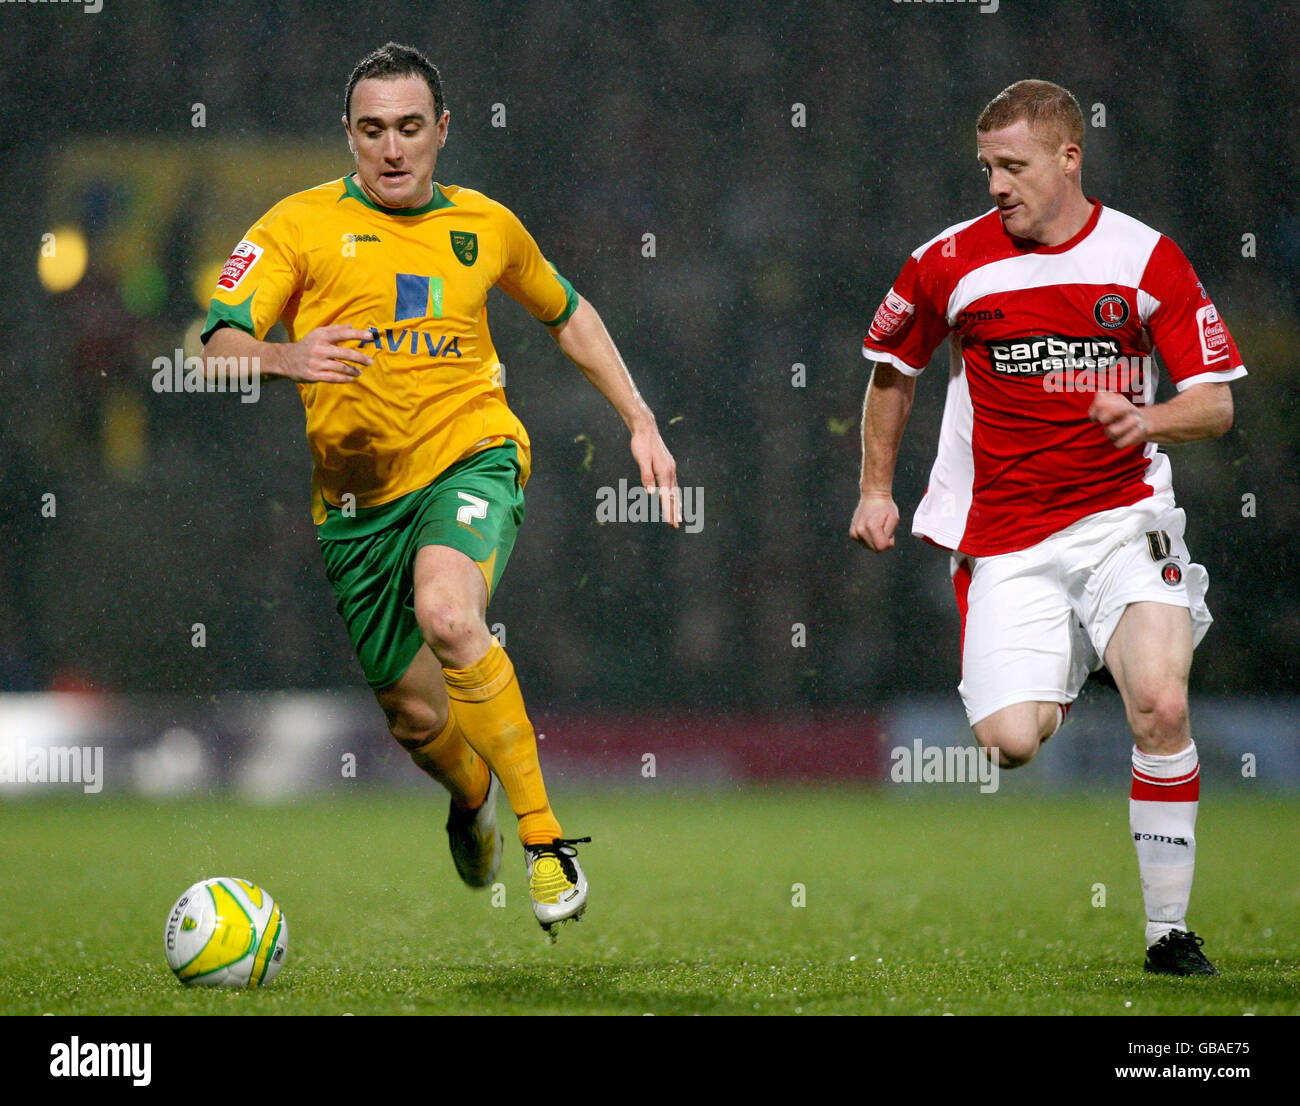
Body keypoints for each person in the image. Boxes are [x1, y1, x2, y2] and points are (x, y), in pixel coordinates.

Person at [201, 42, 679, 936]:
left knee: (452, 616)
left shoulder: (486, 226)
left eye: (410, 129)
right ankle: (473, 807)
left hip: (473, 455)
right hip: (355, 513)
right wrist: (280, 356)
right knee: (424, 729)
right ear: (347, 134)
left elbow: (568, 315)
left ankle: (546, 842)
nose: (392, 150)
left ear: (443, 131)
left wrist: (640, 419)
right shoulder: (293, 227)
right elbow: (212, 345)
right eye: (373, 130)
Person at [850, 79, 1245, 975]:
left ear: (1070, 158)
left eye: (1013, 166)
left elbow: (1214, 403)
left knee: (1161, 704)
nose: (995, 183)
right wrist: (877, 488)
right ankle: (1059, 661)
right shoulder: (947, 263)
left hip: (1122, 519)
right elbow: (891, 368)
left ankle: (1169, 935)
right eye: (987, 166)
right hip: (1010, 539)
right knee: (1010, 743)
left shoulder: (1145, 259)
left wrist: (1148, 420)